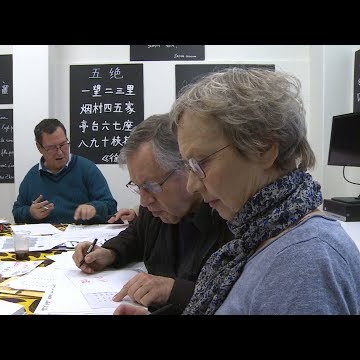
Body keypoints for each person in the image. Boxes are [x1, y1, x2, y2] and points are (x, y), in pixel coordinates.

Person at [116, 67, 360, 315]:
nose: (192, 185)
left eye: (200, 163)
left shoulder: (303, 263)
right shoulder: (263, 235)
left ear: (263, 148)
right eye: (188, 167)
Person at [73, 114, 232, 314]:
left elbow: (239, 298)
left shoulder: (227, 213)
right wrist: (109, 253)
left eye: (151, 185)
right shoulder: (155, 208)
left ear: (187, 168)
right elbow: (137, 237)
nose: (144, 200)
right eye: (138, 187)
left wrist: (173, 291)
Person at [12, 118, 117, 224]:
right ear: (39, 147)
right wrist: (30, 213)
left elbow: (111, 206)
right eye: (52, 148)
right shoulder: (32, 177)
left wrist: (94, 208)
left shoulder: (87, 169)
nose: (60, 153)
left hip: (82, 237)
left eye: (63, 145)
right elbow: (17, 212)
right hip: (47, 238)